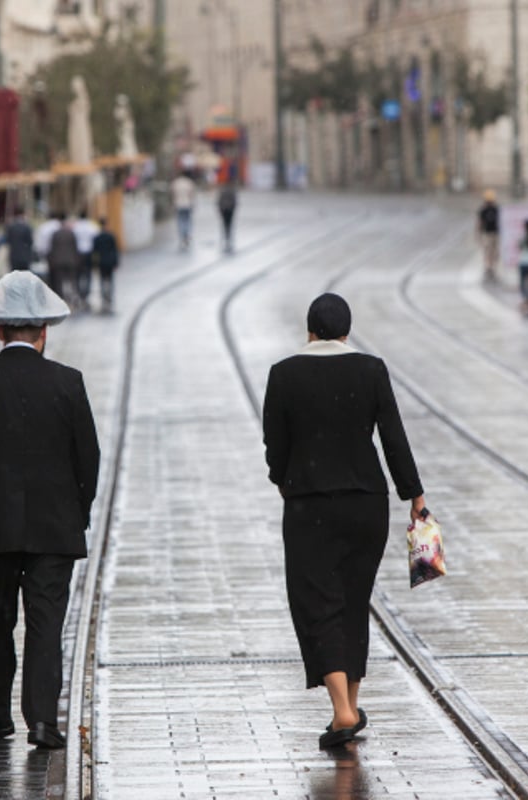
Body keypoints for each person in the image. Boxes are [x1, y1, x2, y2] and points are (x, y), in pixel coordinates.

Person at [0, 270, 100, 750]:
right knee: (47, 621)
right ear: (44, 333)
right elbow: (87, 458)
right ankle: (44, 721)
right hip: (55, 528)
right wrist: (78, 510)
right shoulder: (68, 382)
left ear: (0, 330)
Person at [262, 293, 428, 750]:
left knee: (317, 603)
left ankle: (342, 710)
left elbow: (273, 442)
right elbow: (393, 436)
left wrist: (284, 478)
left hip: (309, 505)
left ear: (309, 331)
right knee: (354, 601)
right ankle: (348, 709)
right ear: (346, 333)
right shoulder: (370, 369)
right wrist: (414, 495)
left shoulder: (284, 373)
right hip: (366, 504)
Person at [46, 215, 81, 308]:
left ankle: (61, 299)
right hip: (70, 261)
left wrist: (51, 260)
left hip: (58, 261)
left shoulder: (55, 234)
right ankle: (73, 299)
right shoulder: (71, 233)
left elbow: (52, 248)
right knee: (72, 281)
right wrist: (77, 260)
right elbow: (75, 248)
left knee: (59, 282)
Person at [91, 217, 120, 313]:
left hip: (101, 263)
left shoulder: (97, 237)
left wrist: (94, 264)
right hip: (110, 262)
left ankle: (104, 301)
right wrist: (116, 262)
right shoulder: (111, 236)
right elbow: (115, 250)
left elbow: (94, 252)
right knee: (110, 281)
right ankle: (109, 300)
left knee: (102, 281)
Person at [72, 211, 99, 307]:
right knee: (88, 275)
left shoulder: (76, 227)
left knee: (78, 275)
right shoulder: (91, 226)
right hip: (88, 253)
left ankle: (79, 293)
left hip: (78, 253)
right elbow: (96, 237)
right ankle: (86, 295)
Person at [476, 189, 500, 281]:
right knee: (488, 251)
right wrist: (478, 234)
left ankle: (492, 267)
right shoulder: (484, 210)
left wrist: (478, 234)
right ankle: (489, 267)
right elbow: (480, 223)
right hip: (487, 234)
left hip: (495, 234)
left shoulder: (496, 209)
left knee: (493, 252)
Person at [171, 170, 197, 251]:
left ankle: (182, 236)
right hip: (187, 204)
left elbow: (173, 193)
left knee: (180, 221)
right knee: (187, 220)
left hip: (178, 204)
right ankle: (186, 235)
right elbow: (191, 194)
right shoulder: (189, 182)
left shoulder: (176, 182)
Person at [217, 180, 238, 253]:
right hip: (230, 210)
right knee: (229, 224)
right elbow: (235, 201)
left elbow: (219, 201)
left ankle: (226, 237)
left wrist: (220, 209)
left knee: (225, 224)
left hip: (224, 209)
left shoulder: (222, 191)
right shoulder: (232, 191)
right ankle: (228, 237)